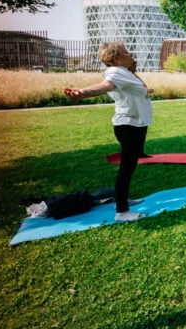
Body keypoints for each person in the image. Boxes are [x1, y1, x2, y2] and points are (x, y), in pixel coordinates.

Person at [63, 42, 150, 222]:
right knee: (126, 167)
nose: (130, 54)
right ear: (116, 58)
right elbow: (105, 85)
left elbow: (139, 88)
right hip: (129, 125)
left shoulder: (126, 73)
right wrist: (82, 92)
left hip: (136, 124)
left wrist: (137, 76)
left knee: (130, 165)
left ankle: (122, 199)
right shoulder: (116, 72)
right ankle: (122, 212)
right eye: (126, 52)